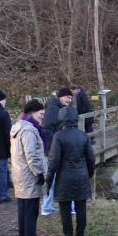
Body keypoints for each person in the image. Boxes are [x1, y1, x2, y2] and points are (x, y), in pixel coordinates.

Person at [47, 106, 96, 236]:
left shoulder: (59, 136)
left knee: (65, 208)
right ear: (75, 118)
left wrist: (49, 180)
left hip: (64, 177)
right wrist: (89, 174)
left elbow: (54, 161)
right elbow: (91, 158)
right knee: (81, 207)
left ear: (61, 119)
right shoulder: (83, 135)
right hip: (81, 175)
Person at [10, 99, 50, 236]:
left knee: (23, 208)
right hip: (29, 175)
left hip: (20, 173)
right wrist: (39, 173)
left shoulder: (18, 126)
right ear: (32, 113)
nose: (42, 117)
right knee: (31, 209)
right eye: (41, 114)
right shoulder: (29, 130)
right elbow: (31, 155)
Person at [41, 86, 75, 216]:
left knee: (56, 178)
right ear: (61, 96)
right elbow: (47, 128)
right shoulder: (54, 108)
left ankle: (47, 206)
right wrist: (54, 147)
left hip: (56, 149)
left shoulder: (58, 107)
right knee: (58, 177)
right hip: (53, 151)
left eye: (71, 98)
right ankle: (48, 206)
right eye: (68, 97)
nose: (69, 100)